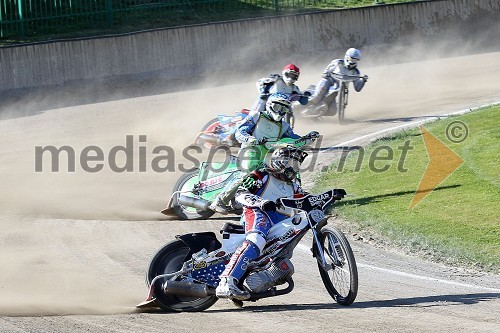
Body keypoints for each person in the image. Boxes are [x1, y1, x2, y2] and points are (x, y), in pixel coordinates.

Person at [216, 147, 308, 300]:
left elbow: (306, 200)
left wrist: (329, 197)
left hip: (279, 221)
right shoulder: (262, 175)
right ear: (280, 161)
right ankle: (226, 282)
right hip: (259, 213)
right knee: (257, 239)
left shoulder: (294, 186)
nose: (294, 167)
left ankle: (253, 279)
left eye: (296, 164)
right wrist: (261, 202)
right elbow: (241, 193)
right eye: (292, 162)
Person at [208, 92, 319, 214]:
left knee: (278, 176)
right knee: (248, 175)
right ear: (270, 105)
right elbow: (240, 132)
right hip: (251, 151)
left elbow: (294, 140)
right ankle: (219, 201)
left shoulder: (284, 126)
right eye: (278, 107)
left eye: (284, 109)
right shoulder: (258, 116)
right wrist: (250, 139)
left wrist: (308, 138)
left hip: (268, 156)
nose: (280, 111)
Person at [303, 48, 368, 116]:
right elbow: (325, 73)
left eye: (355, 59)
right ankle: (300, 104)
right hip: (329, 81)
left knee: (333, 111)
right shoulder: (337, 62)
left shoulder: (356, 72)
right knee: (317, 96)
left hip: (337, 88)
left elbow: (357, 88)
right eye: (351, 58)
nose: (352, 61)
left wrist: (363, 80)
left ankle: (315, 110)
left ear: (357, 61)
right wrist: (327, 73)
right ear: (346, 57)